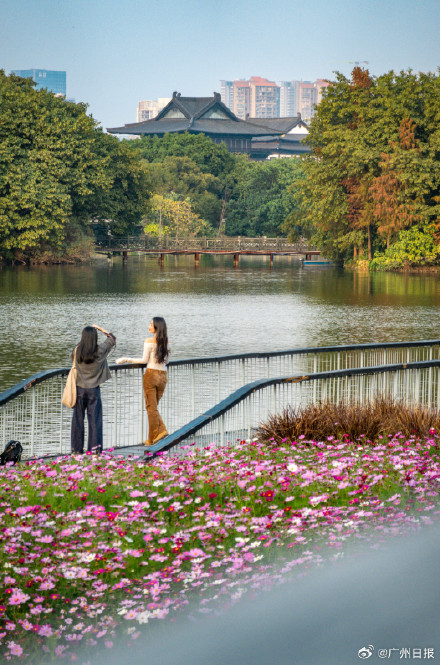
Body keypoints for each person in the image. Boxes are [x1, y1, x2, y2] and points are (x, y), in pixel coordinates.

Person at [116, 317, 169, 446]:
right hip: (163, 376)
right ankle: (151, 439)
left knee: (151, 408)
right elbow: (167, 361)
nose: (149, 326)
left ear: (157, 327)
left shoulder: (149, 341)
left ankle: (160, 432)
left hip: (151, 375)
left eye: (151, 324)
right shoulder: (167, 342)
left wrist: (126, 359)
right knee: (153, 408)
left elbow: (144, 360)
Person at [71, 324, 116, 454]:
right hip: (94, 390)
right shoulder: (101, 350)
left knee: (77, 421)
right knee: (95, 420)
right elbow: (112, 339)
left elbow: (72, 359)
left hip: (79, 389)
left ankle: (76, 450)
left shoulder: (77, 350)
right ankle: (95, 450)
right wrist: (101, 329)